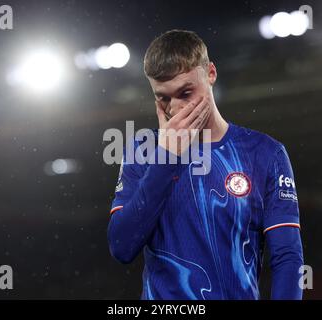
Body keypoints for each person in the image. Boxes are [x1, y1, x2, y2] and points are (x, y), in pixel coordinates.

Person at [107, 29, 303, 300]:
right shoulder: (142, 151)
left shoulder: (266, 154)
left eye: (185, 92)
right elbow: (121, 247)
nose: (175, 109)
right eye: (163, 97)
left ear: (211, 73)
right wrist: (166, 157)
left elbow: (287, 259)